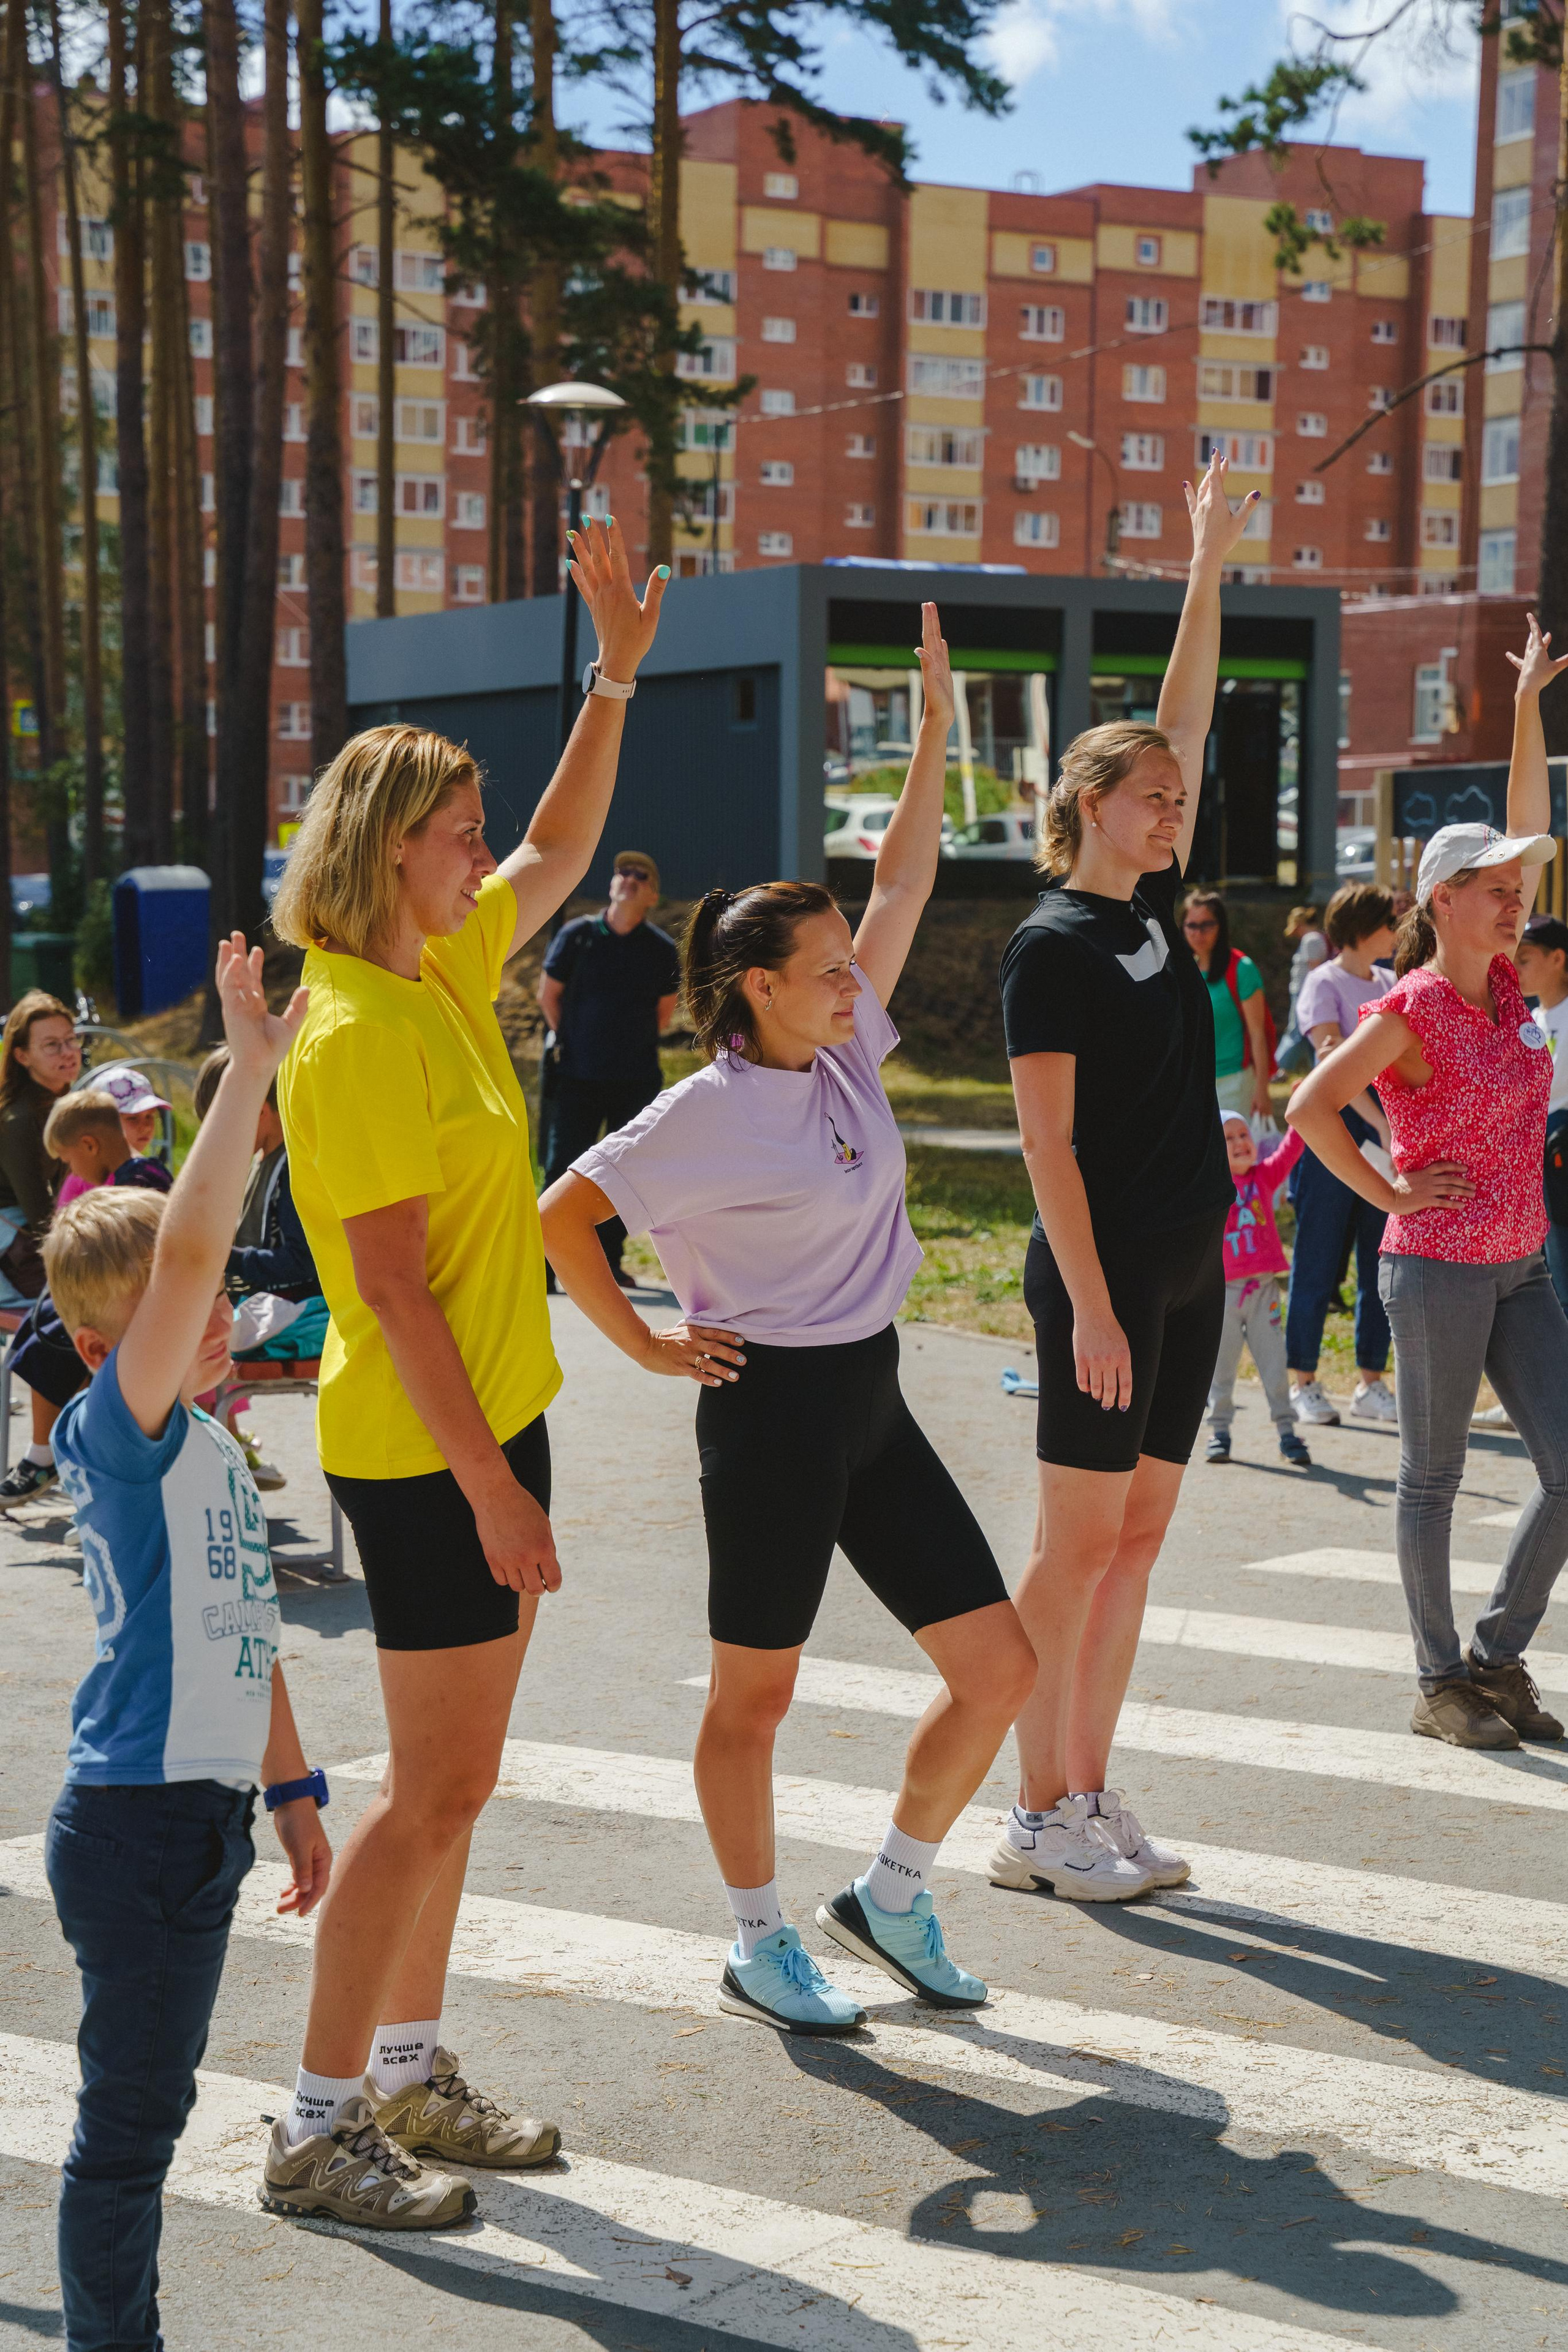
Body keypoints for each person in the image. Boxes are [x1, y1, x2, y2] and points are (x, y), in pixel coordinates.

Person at [540, 603, 1038, 2029]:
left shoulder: (841, 1051)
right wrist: (637, 1338)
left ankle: (887, 1889)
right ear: (753, 985)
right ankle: (756, 1936)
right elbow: (559, 1214)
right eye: (823, 969)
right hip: (763, 1412)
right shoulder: (693, 1116)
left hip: (866, 1396)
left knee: (997, 1665)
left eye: (845, 964)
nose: (850, 980)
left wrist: (936, 731)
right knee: (752, 1699)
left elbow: (902, 877)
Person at [262, 517, 668, 2228]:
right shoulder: (350, 1025)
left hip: (499, 1432)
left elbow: (571, 841)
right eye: (456, 830)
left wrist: (619, 674)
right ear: (382, 851)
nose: (484, 848)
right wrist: (495, 1488)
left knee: (461, 1788)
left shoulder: (440, 974)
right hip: (432, 1452)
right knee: (421, 1796)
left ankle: (410, 2075)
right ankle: (313, 2120)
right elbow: (393, 1293)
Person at [43, 937, 333, 2352]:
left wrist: (295, 1798)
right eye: (187, 1303)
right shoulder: (121, 1429)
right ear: (111, 1348)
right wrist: (250, 1067)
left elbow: (247, 1628)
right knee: (129, 2126)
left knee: (148, 2105)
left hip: (201, 1818)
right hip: (137, 1822)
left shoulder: (208, 1443)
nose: (220, 1310)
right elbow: (202, 1232)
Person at [989, 451, 1259, 1908]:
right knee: (1072, 1545)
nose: (1173, 809)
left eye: (1171, 795)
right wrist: (1089, 1307)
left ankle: (1086, 1788)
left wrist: (1205, 561)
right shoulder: (1051, 948)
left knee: (1136, 1538)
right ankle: (1031, 1811)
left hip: (1182, 1264)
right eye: (1149, 797)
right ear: (1090, 803)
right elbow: (1044, 1149)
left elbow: (1190, 714)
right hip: (1098, 1284)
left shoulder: (1152, 908)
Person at [1287, 612, 1568, 1752]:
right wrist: (1392, 1193)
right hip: (1438, 1271)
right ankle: (1439, 1678)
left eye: (1518, 888)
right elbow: (1307, 1108)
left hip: (1525, 1267)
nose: (1515, 899)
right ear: (1439, 901)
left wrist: (1523, 711)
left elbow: (1533, 826)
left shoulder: (1508, 992)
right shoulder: (1410, 1011)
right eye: (1493, 888)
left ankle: (1498, 1657)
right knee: (1432, 1479)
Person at [1284, 881, 1400, 1430]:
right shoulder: (1321, 981)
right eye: (1388, 922)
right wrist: (1381, 1122)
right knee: (1318, 1256)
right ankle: (1302, 1382)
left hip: (1385, 1130)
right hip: (1337, 1125)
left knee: (1380, 1258)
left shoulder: (1390, 982)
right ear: (1360, 929)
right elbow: (1329, 1061)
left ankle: (1370, 1383)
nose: (1396, 933)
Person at [539, 850, 680, 1289]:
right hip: (577, 1076)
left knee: (622, 1175)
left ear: (652, 895)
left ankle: (610, 1262)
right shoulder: (577, 936)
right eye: (623, 872)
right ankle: (545, 1266)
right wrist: (576, 1041)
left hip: (634, 1079)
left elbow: (663, 1015)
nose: (629, 879)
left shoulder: (661, 950)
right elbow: (549, 996)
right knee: (562, 1166)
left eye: (641, 875)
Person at [193, 1044, 329, 1493]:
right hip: (270, 1310)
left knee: (181, 1342)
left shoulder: (292, 1169)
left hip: (302, 1315)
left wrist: (222, 1255)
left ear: (260, 1110)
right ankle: (224, 1450)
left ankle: (219, 1461)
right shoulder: (262, 1160)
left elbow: (299, 1264)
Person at [0, 992, 83, 1503]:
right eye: (51, 1044)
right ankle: (44, 1456)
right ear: (22, 1056)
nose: (66, 1052)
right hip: (19, 1245)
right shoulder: (16, 1121)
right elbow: (38, 1217)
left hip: (56, 1233)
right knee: (75, 1311)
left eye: (71, 1041)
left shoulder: (71, 1103)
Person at [1205, 1112, 1311, 1468]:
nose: (1239, 1143)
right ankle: (1219, 1432)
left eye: (1243, 1134)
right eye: (1228, 1138)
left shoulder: (1264, 1177)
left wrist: (1304, 1110)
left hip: (1264, 1292)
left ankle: (1287, 1431)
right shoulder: (1209, 1185)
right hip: (1222, 1296)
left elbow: (1292, 1148)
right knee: (1220, 1367)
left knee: (1274, 1365)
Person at [1515, 909, 1568, 1314]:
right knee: (1550, 1259)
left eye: (1526, 957)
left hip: (1561, 1140)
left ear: (1558, 958)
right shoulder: (1530, 1020)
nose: (1517, 969)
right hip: (1537, 1147)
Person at [1180, 890, 1272, 1121]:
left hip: (1235, 1081)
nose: (1198, 933)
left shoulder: (1242, 968)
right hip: (1194, 1081)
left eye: (1207, 925)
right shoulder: (1183, 970)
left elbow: (1258, 1034)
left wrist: (1262, 1090)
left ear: (1221, 926)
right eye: (1191, 925)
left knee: (1235, 1154)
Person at [49, 1090, 174, 1205]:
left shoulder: (134, 1185)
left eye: (69, 1162)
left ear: (90, 1145)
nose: (74, 1172)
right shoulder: (143, 1171)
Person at [88, 1061, 173, 1169]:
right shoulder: (90, 1174)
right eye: (132, 1118)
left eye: (149, 1116)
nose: (146, 1127)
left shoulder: (143, 1171)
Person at [1277, 905, 1329, 1074]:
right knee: (1308, 1035)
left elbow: (1314, 970)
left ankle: (1279, 1067)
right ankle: (1316, 1069)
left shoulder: (1311, 940)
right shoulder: (1315, 938)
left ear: (1299, 925)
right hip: (1303, 993)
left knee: (1295, 1030)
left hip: (1303, 993)